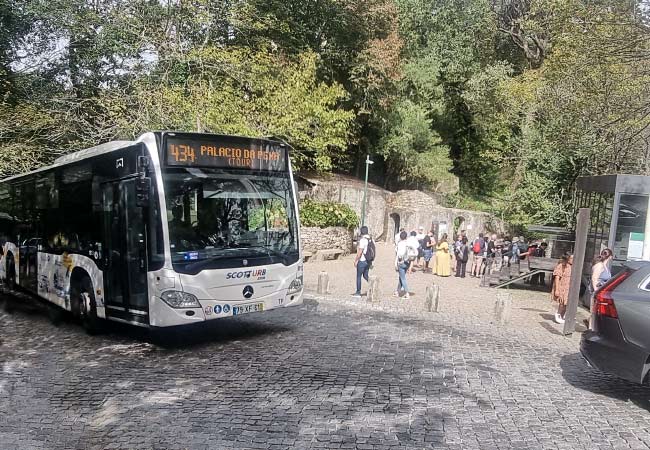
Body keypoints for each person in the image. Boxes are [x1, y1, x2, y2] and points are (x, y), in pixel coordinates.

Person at [589, 248, 613, 328]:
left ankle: (593, 327)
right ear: (610, 257)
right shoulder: (599, 265)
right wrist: (596, 291)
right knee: (593, 313)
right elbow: (594, 278)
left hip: (602, 292)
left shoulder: (605, 266)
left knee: (596, 313)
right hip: (597, 291)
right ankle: (591, 328)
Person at [551, 253, 573, 324]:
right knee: (562, 302)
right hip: (562, 286)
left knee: (567, 302)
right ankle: (558, 314)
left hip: (569, 286)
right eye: (571, 258)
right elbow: (557, 277)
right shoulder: (561, 266)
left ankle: (562, 315)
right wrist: (557, 289)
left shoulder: (571, 266)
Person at [352, 226, 371, 298]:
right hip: (368, 261)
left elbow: (360, 252)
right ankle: (373, 285)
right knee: (365, 275)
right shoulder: (371, 239)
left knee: (359, 276)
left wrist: (356, 260)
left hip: (362, 260)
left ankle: (358, 292)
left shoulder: (363, 240)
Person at [394, 231, 410, 299]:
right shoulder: (408, 243)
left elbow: (397, 254)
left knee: (402, 278)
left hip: (401, 262)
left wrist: (395, 263)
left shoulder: (399, 244)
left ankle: (407, 293)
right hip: (407, 262)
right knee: (401, 277)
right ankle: (397, 291)